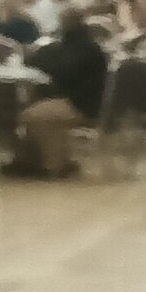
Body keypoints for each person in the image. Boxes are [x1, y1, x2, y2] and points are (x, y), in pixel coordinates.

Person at [12, 13, 107, 177]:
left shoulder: (87, 49)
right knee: (33, 112)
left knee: (36, 115)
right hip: (72, 101)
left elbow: (64, 67)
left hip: (82, 106)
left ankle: (54, 166)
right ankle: (35, 161)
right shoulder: (77, 47)